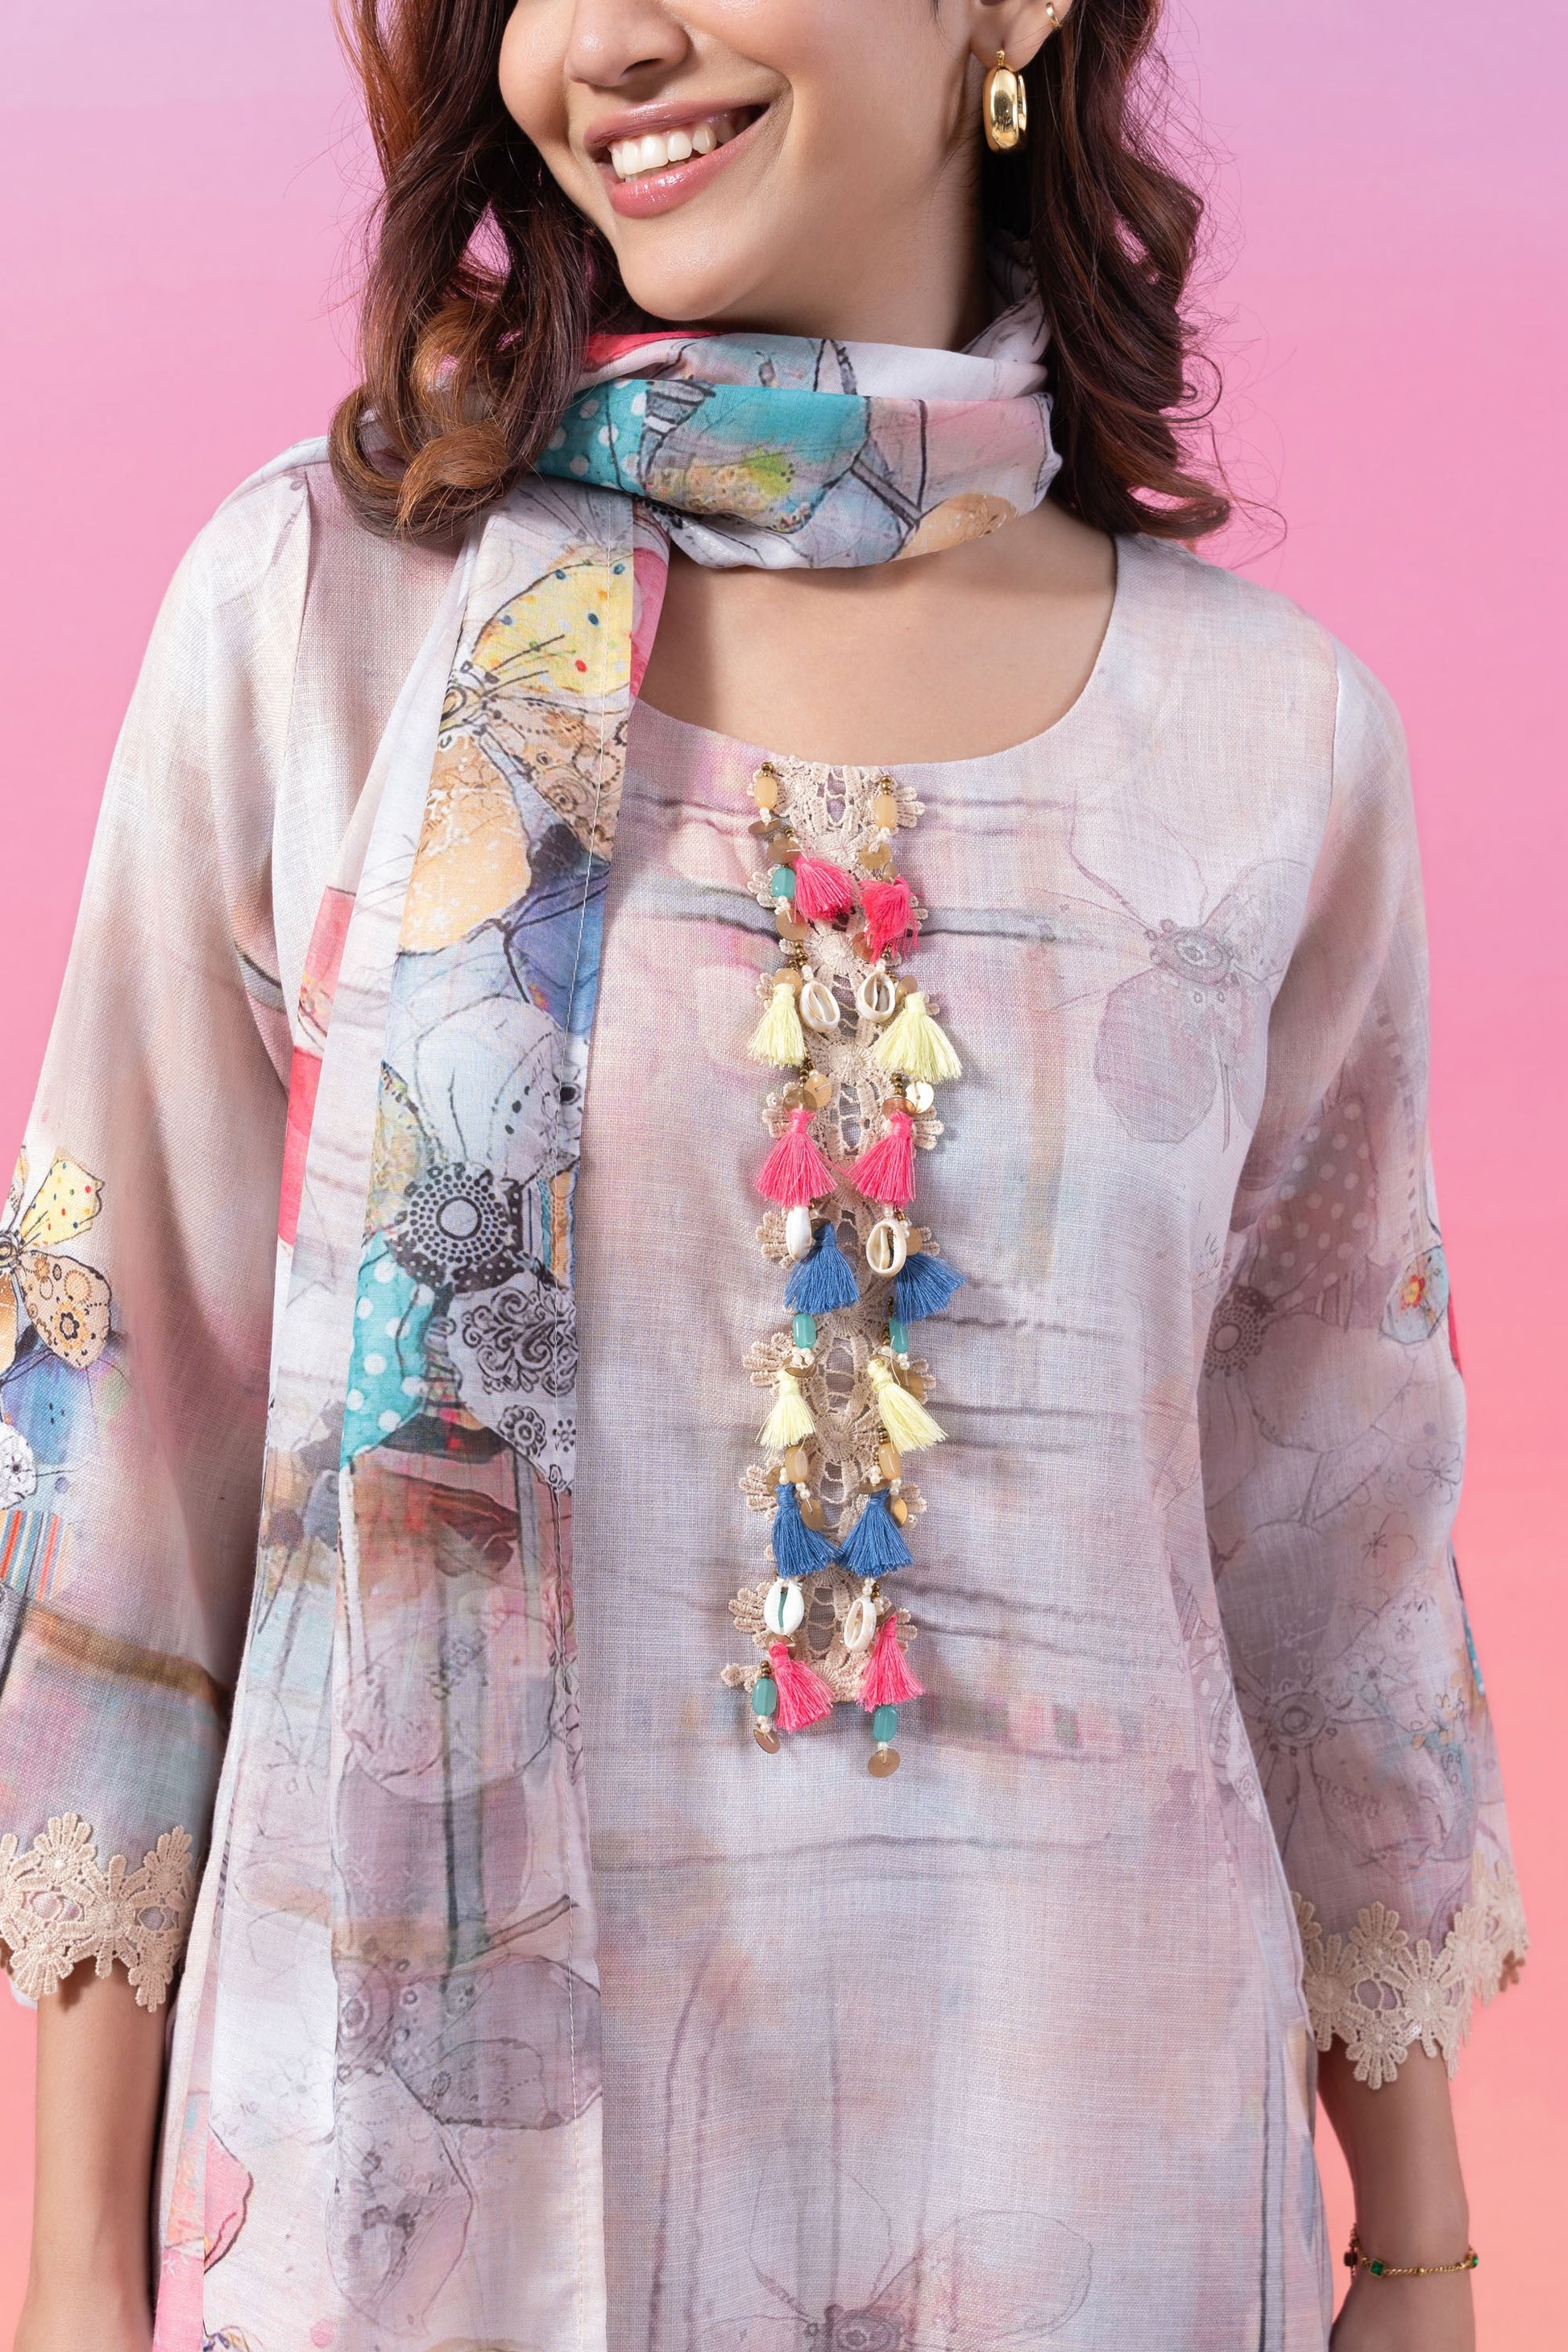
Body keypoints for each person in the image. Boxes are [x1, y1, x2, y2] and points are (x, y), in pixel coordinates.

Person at [0, 3, 1524, 2348]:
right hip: (423, 2260)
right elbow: (118, 1458)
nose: (603, 41)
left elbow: (1338, 1551)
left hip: (1101, 2207)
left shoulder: (1271, 743)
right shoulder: (329, 620)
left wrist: (1414, 2249)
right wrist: (69, 2270)